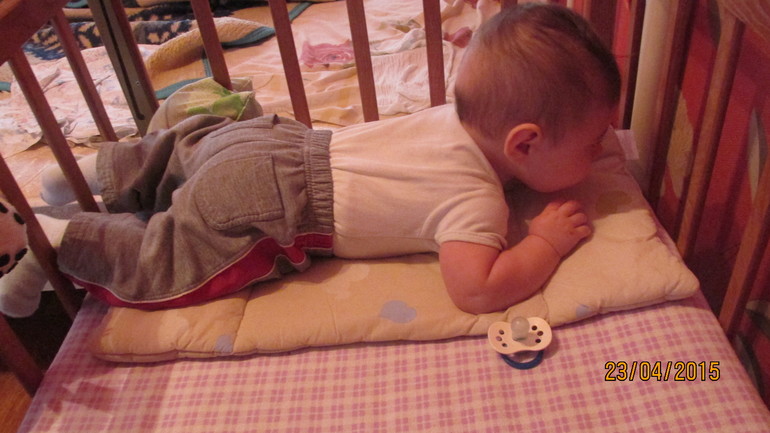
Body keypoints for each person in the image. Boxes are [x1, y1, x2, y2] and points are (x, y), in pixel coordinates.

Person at [0, 3, 620, 318]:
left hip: (268, 141)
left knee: (183, 149)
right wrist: (544, 243)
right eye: (593, 142)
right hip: (280, 207)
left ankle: (90, 174)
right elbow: (476, 290)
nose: (604, 150)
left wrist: (472, 39)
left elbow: (480, 60)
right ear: (524, 144)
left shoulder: (455, 110)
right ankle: (57, 239)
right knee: (169, 261)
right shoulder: (477, 203)